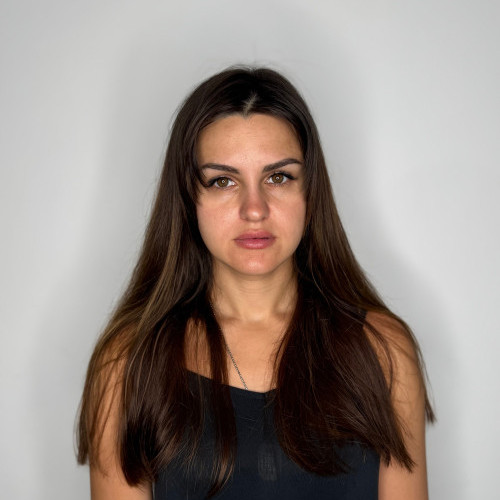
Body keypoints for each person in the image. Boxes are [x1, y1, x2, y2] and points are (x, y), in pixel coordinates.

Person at [77, 66, 434, 500]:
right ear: (188, 198)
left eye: (278, 177)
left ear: (310, 191)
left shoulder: (382, 349)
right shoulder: (128, 364)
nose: (254, 209)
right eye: (223, 181)